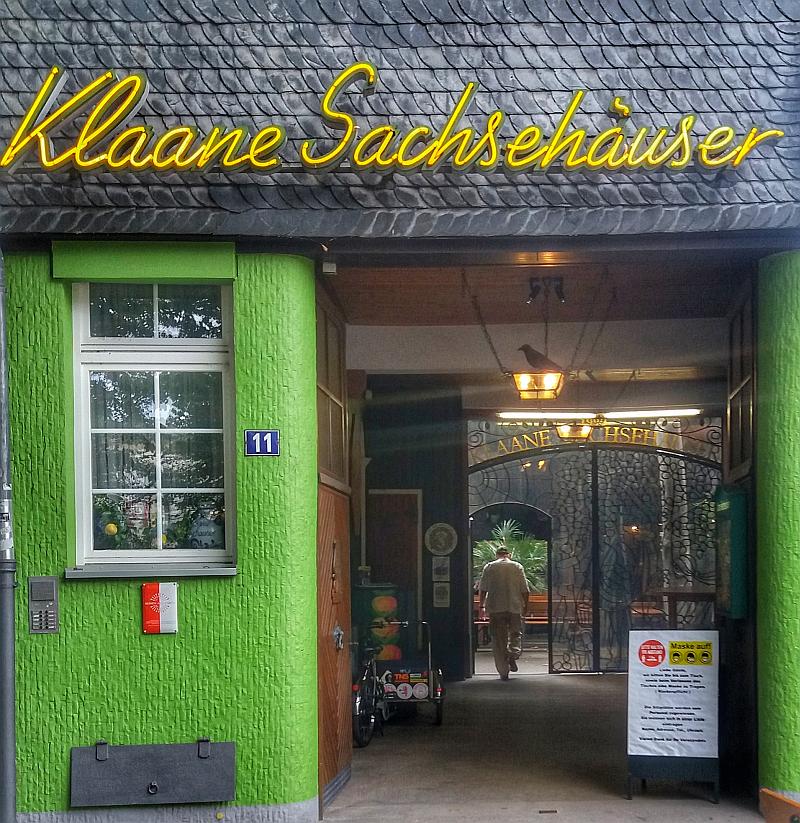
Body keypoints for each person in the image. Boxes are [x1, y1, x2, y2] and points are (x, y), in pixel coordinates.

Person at [478, 546, 530, 680]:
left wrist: (481, 606)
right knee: (516, 634)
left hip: (496, 608)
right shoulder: (517, 567)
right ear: (509, 555)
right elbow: (525, 589)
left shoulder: (489, 567)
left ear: (497, 555)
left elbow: (483, 589)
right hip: (514, 606)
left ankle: (503, 671)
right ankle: (513, 654)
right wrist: (525, 606)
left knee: (498, 639)